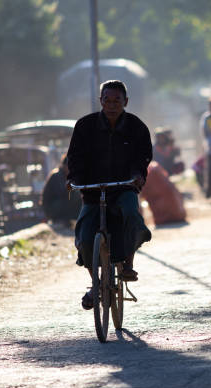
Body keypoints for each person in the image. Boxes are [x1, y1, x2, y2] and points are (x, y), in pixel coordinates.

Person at [66, 80, 152, 310]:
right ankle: (95, 283)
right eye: (107, 100)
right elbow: (74, 157)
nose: (112, 105)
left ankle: (128, 264)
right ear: (100, 101)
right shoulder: (85, 126)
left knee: (132, 216)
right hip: (93, 191)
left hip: (124, 187)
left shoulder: (137, 127)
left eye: (117, 100)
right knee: (84, 236)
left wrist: (137, 176)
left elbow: (143, 157)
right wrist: (73, 179)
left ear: (126, 102)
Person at [41, 154, 81, 226]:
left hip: (60, 203)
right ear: (64, 166)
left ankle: (74, 219)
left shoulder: (69, 176)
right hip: (52, 206)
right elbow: (62, 193)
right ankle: (62, 219)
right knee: (73, 197)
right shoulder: (56, 175)